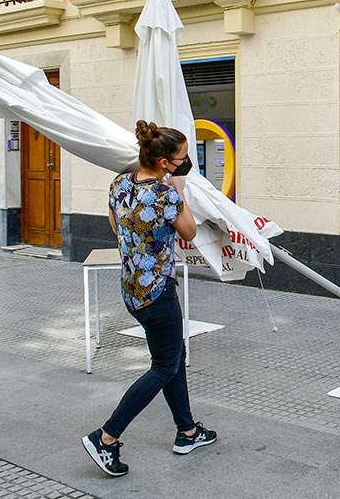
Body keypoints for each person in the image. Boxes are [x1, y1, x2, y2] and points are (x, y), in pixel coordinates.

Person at [82, 120, 216, 477]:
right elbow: (189, 232)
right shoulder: (165, 195)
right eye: (182, 159)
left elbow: (115, 225)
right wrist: (179, 190)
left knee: (173, 356)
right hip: (157, 294)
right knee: (163, 366)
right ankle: (106, 437)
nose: (185, 164)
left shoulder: (120, 183)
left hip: (131, 289)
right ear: (163, 163)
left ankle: (187, 431)